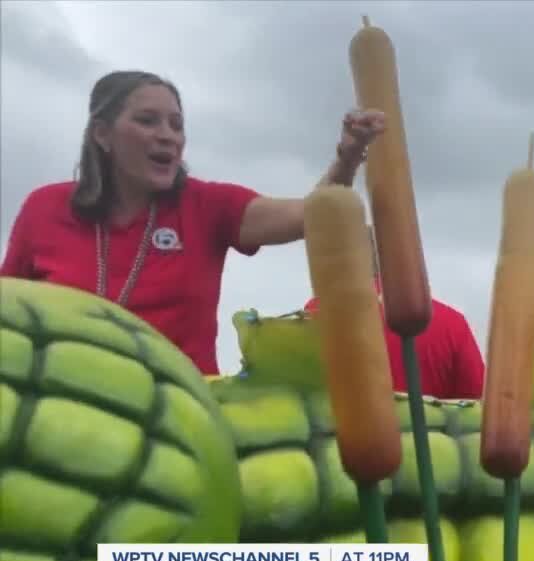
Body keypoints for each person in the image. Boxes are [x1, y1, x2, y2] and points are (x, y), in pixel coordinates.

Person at [0, 70, 386, 376]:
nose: (167, 136)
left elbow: (315, 214)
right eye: (148, 121)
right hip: (63, 407)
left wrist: (348, 156)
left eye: (176, 125)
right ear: (103, 134)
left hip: (181, 418)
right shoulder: (44, 207)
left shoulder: (208, 206)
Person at [302, 275, 485, 400]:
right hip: (428, 442)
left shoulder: (316, 310)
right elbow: (476, 401)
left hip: (339, 441)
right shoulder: (452, 322)